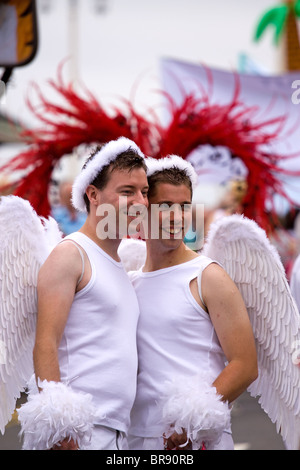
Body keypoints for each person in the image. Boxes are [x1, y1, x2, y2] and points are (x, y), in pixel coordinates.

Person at [19, 137, 149, 450]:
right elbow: (45, 342)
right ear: (93, 194)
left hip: (115, 434)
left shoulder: (120, 262)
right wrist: (61, 430)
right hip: (76, 437)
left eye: (144, 192)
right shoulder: (71, 254)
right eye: (126, 191)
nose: (141, 202)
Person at [127, 155, 258, 451]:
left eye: (184, 206)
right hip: (138, 439)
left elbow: (245, 364)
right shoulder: (130, 280)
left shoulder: (208, 275)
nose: (176, 216)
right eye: (165, 206)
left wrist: (189, 421)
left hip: (198, 440)